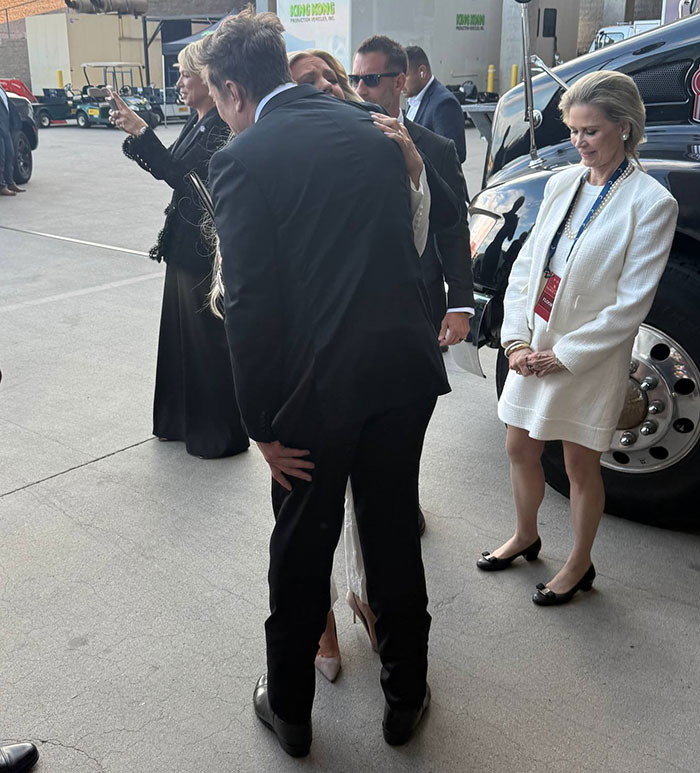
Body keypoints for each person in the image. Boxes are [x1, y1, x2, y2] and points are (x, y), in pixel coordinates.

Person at [201, 8, 450, 755]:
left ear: (234, 90)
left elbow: (250, 305)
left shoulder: (244, 158)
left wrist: (261, 426)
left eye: (215, 99)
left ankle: (292, 711)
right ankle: (405, 696)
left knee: (302, 552)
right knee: (393, 535)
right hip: (401, 377)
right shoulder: (371, 127)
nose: (218, 113)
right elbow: (406, 244)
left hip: (314, 396)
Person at [478, 71, 678, 605]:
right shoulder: (563, 183)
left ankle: (579, 563)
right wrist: (516, 340)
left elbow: (630, 305)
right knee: (518, 445)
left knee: (578, 463)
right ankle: (525, 535)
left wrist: (561, 357)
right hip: (535, 343)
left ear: (625, 128)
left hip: (586, 357)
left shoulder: (652, 203)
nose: (578, 142)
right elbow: (526, 269)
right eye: (572, 130)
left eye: (590, 130)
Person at [287, 47, 436, 684]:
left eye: (330, 77)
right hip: (312, 380)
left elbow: (423, 239)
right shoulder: (277, 154)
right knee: (308, 525)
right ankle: (322, 639)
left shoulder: (391, 145)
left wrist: (411, 168)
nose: (322, 87)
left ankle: (398, 660)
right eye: (305, 81)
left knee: (387, 524)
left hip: (387, 370)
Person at [108, 40, 248, 459]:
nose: (180, 82)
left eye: (186, 74)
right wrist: (142, 136)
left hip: (203, 249)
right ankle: (180, 421)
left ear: (208, 79)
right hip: (184, 245)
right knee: (180, 341)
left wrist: (140, 132)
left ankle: (217, 433)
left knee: (206, 344)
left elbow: (183, 177)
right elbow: (173, 169)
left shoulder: (221, 126)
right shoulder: (199, 120)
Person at [352, 36, 474, 347]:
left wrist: (459, 303)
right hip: (357, 303)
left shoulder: (437, 148)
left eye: (371, 80)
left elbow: (454, 226)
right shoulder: (340, 146)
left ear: (399, 82)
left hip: (420, 299)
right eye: (355, 79)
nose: (360, 90)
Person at [404, 45, 466, 164]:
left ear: (422, 72)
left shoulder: (444, 104)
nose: (400, 83)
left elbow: (454, 155)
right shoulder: (413, 99)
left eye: (405, 76)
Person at [0, 84, 25, 197]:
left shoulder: (1, 88)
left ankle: (10, 183)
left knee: (10, 154)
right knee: (1, 157)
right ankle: (1, 186)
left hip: (6, 128)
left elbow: (8, 105)